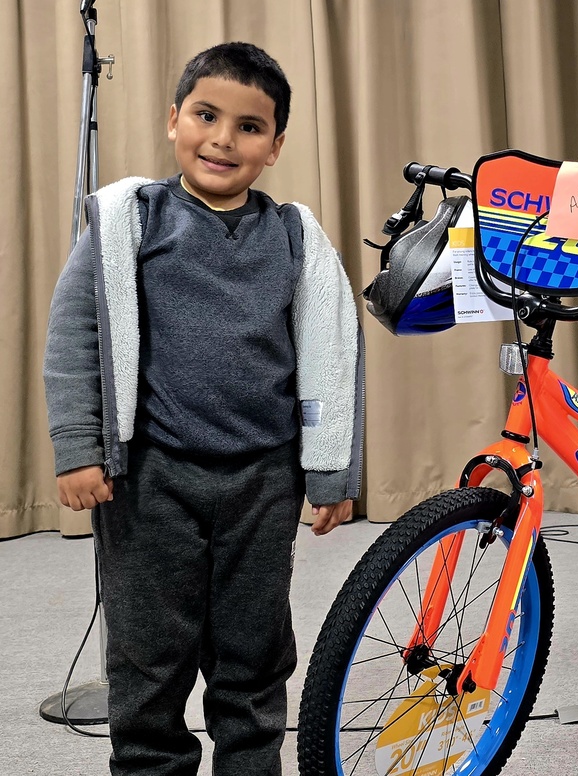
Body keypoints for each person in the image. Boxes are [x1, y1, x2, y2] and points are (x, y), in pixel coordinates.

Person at [43, 42, 363, 776]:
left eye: (249, 127)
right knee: (149, 657)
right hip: (151, 480)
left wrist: (330, 471)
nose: (223, 139)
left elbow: (331, 350)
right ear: (173, 120)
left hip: (262, 481)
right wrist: (78, 446)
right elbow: (75, 338)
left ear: (276, 146)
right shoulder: (129, 221)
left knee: (253, 655)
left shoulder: (293, 238)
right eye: (206, 115)